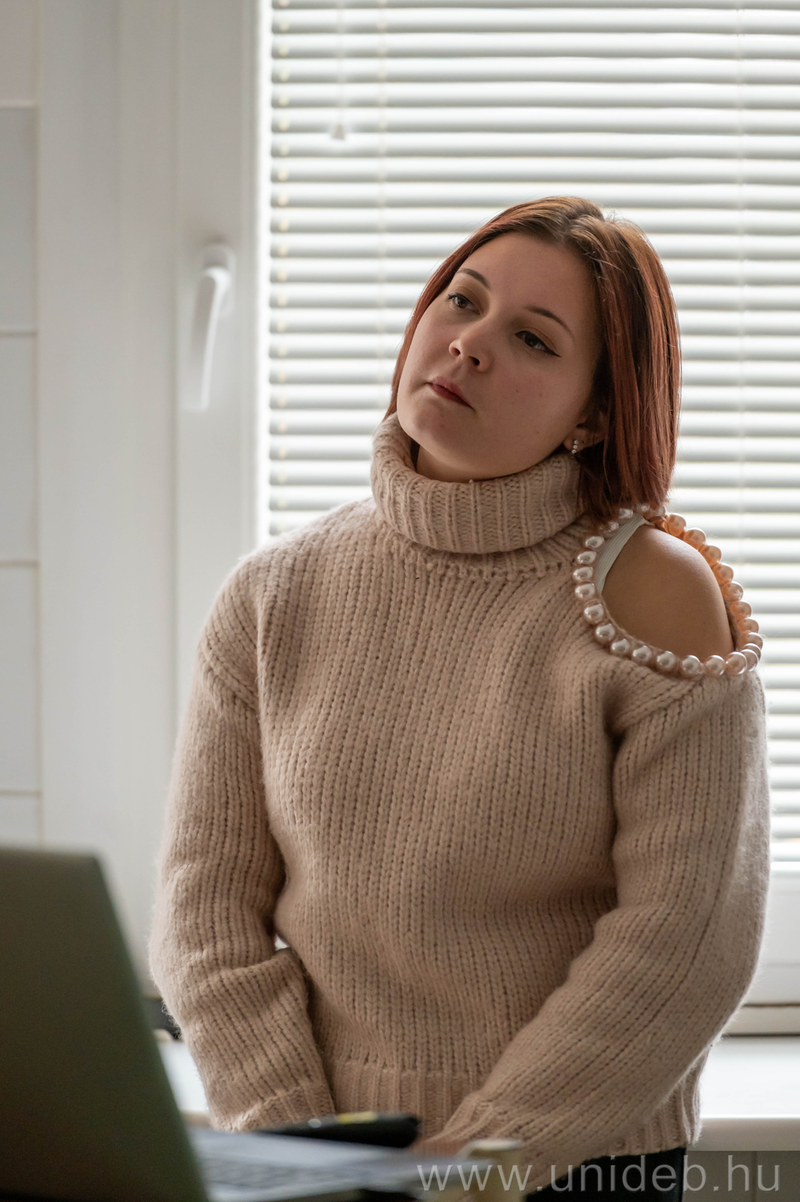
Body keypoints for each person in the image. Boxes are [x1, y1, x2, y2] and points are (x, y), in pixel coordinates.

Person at [148, 197, 770, 1200]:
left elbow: (688, 936)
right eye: (461, 300)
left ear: (595, 413)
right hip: (323, 1158)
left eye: (532, 338)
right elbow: (204, 910)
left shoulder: (652, 592)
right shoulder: (276, 591)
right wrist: (300, 1148)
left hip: (575, 1162)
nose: (468, 343)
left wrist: (476, 1164)